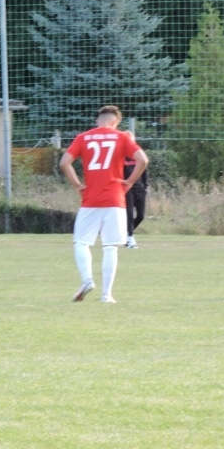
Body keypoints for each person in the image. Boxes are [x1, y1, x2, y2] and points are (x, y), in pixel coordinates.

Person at [59, 105, 148, 303]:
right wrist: (129, 182)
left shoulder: (83, 137)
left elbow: (64, 163)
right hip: (115, 198)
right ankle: (106, 295)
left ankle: (87, 280)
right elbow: (142, 160)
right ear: (115, 122)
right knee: (110, 247)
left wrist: (77, 185)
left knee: (81, 242)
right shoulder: (122, 137)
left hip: (91, 198)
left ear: (98, 120)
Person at [123, 146, 148, 249]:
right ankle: (130, 239)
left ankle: (126, 233)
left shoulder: (138, 155)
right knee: (129, 214)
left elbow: (144, 171)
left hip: (139, 188)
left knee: (140, 216)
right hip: (127, 189)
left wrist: (145, 187)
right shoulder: (121, 157)